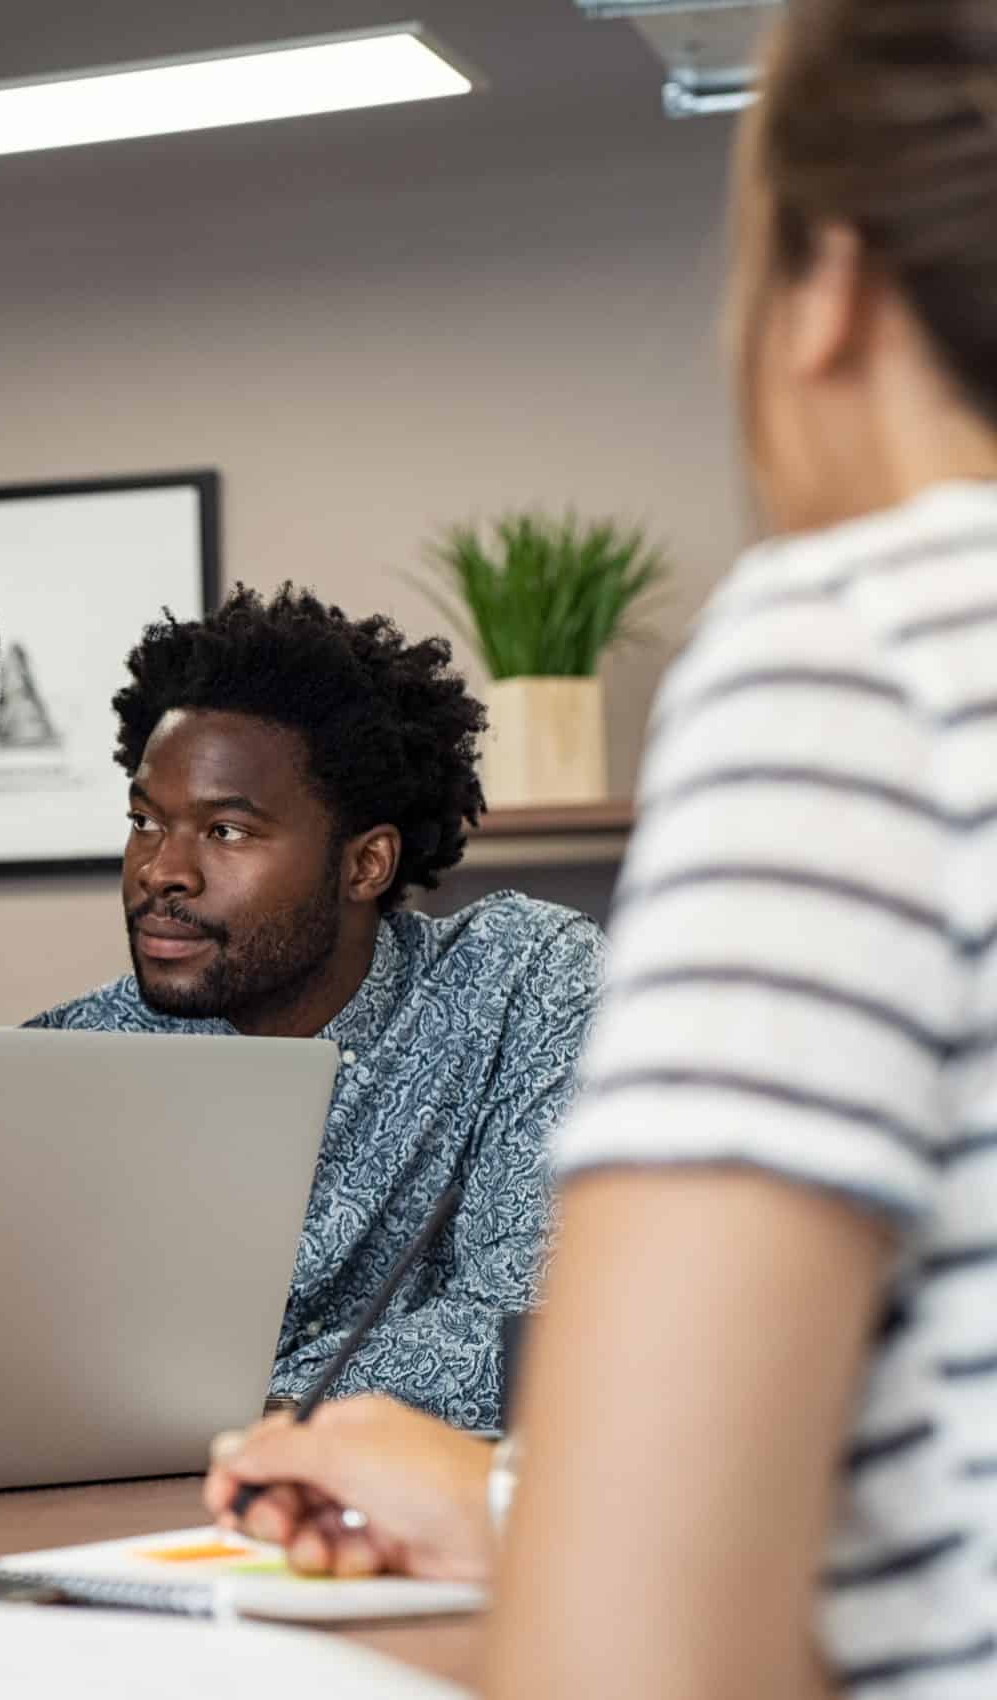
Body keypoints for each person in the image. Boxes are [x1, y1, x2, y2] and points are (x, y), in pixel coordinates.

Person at [213, 8, 997, 1692]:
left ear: (830, 288)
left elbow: (640, 1663)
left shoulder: (868, 652)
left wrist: (581, 1568)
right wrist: (522, 1511)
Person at [30, 587, 601, 1430]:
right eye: (146, 821)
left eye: (226, 832)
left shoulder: (519, 982)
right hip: (102, 1518)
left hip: (406, 1523)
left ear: (365, 864)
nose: (161, 871)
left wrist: (245, 1407)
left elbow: (533, 1326)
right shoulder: (64, 1062)